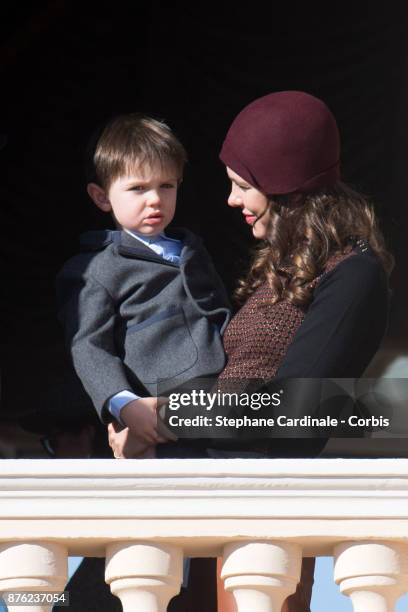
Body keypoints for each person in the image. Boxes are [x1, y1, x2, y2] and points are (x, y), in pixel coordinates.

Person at [109, 91, 392, 612]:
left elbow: (297, 408)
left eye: (242, 186)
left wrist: (166, 415)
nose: (231, 200)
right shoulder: (283, 272)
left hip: (254, 535)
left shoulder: (355, 274)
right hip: (200, 516)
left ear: (285, 185)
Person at [56, 113, 231, 458]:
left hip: (219, 405)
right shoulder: (95, 268)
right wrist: (124, 404)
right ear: (101, 197)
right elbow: (89, 347)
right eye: (137, 188)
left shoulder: (192, 249)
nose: (155, 199)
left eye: (166, 186)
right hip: (157, 416)